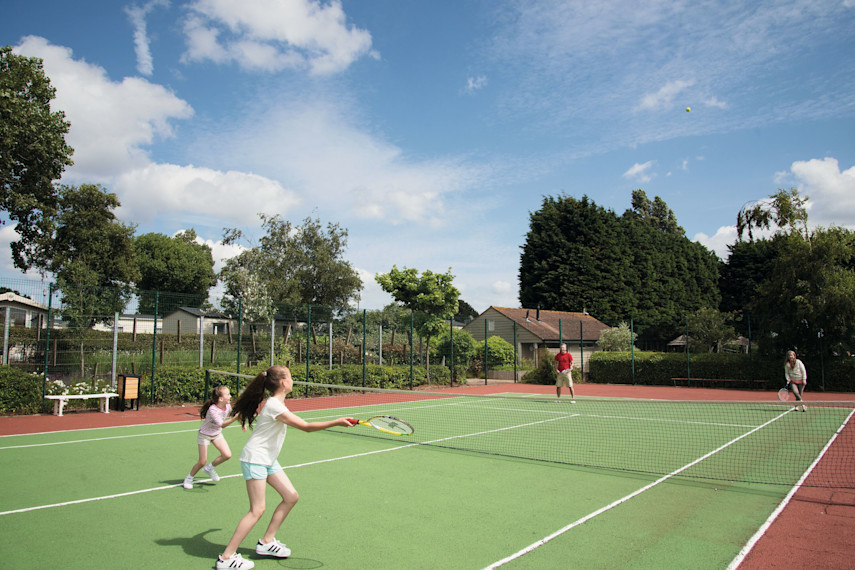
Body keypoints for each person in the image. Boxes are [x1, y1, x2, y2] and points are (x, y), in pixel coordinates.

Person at [216, 365, 355, 570]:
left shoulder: (277, 402)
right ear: (283, 382)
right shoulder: (274, 405)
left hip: (268, 459)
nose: (292, 379)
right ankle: (226, 559)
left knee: (291, 496)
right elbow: (306, 427)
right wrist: (337, 422)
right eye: (290, 376)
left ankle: (266, 542)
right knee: (257, 510)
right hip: (255, 459)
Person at [184, 385, 240, 489]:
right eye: (228, 394)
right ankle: (189, 478)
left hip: (216, 434)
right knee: (202, 461)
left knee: (227, 455)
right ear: (221, 399)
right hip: (204, 435)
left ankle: (209, 468)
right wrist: (235, 419)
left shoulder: (227, 406)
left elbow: (233, 414)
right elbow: (222, 424)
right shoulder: (213, 410)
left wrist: (242, 423)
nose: (230, 396)